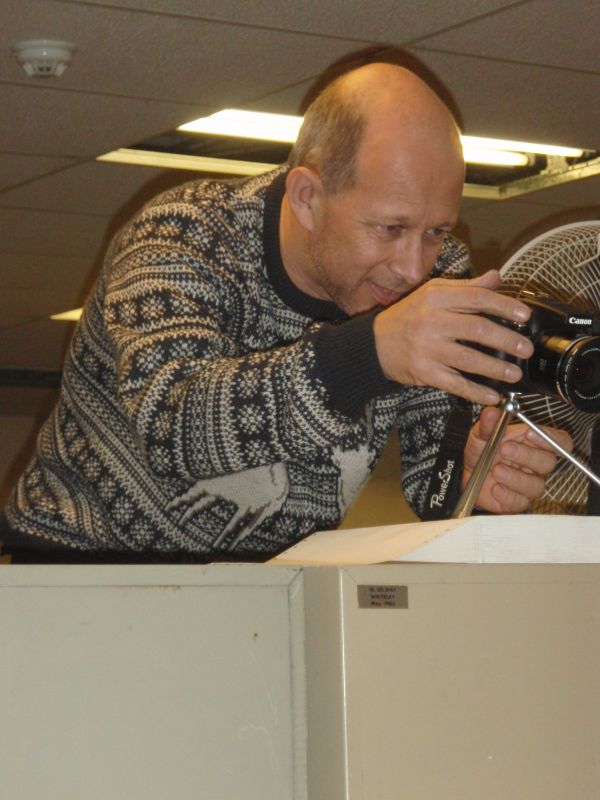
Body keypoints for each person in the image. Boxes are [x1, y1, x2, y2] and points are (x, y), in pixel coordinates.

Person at [1, 63, 571, 562]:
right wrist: (373, 351)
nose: (413, 267)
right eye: (390, 229)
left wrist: (476, 483)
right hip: (75, 574)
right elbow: (173, 430)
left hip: (272, 588)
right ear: (307, 197)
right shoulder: (184, 234)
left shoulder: (437, 271)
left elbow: (435, 482)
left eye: (435, 231)